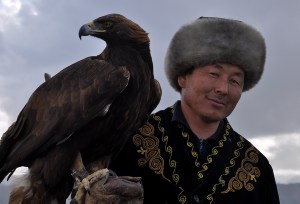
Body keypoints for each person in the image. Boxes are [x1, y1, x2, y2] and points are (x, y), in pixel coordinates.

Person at [109, 16, 280, 204]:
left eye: (235, 81)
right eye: (214, 74)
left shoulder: (256, 167)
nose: (223, 89)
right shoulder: (128, 143)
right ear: (182, 77)